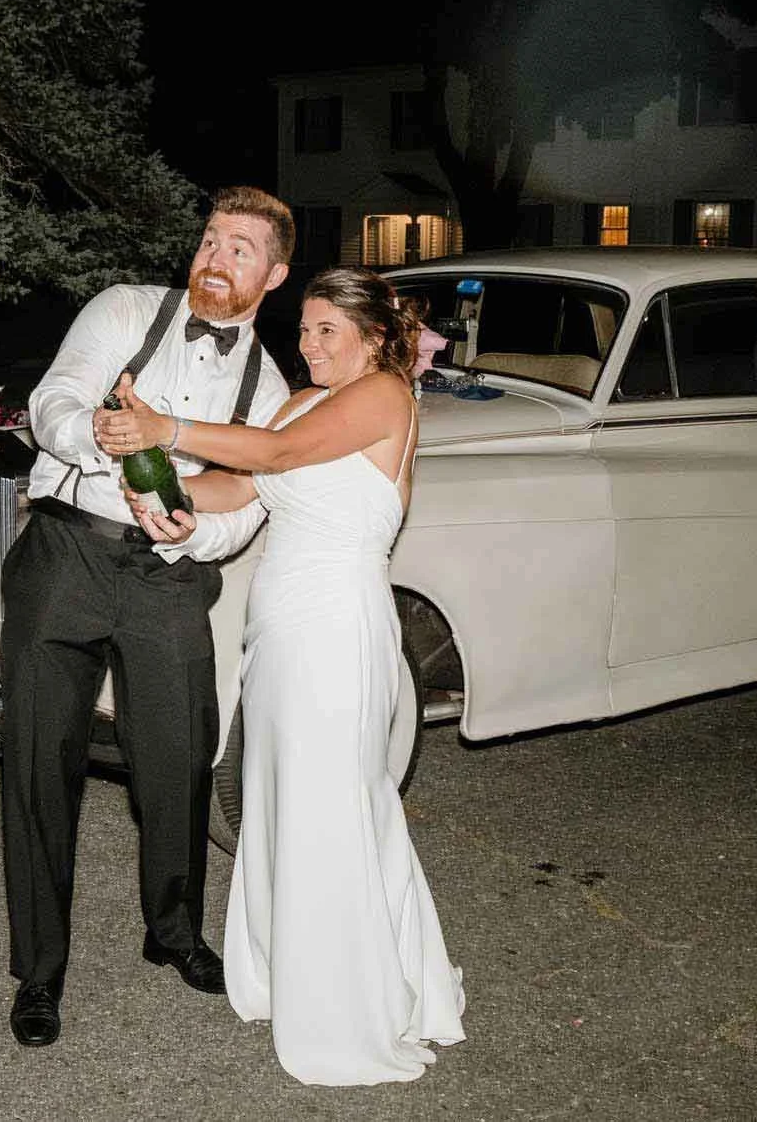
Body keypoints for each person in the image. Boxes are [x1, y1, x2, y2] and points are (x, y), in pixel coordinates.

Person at [97, 266, 465, 1086]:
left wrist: (168, 425)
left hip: (337, 624)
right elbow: (248, 480)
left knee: (332, 801)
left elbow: (279, 452)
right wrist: (169, 493)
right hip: (281, 629)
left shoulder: (384, 396)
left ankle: (346, 1002)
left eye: (327, 329)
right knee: (279, 796)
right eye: (303, 329)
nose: (308, 343)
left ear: (373, 337)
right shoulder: (302, 399)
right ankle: (291, 973)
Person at [0, 186, 295, 1048]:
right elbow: (51, 402)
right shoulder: (126, 307)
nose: (217, 255)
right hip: (67, 553)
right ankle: (40, 971)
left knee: (178, 757)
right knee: (39, 761)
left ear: (273, 274)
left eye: (242, 248)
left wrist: (196, 524)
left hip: (169, 577)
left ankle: (172, 931)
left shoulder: (270, 387)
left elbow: (253, 499)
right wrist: (103, 437)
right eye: (211, 238)